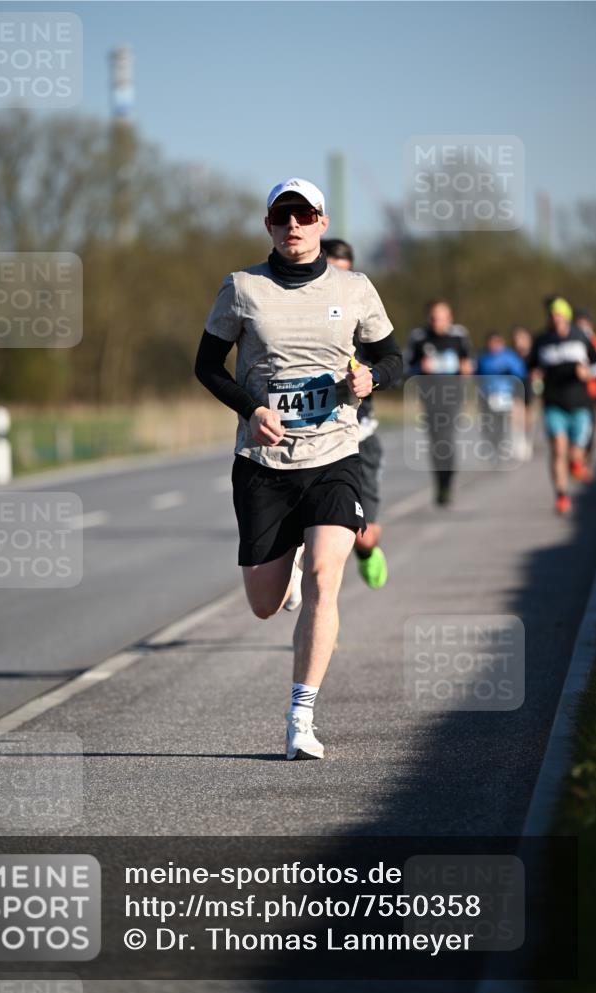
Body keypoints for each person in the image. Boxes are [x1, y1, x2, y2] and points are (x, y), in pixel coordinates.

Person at [194, 177, 402, 760]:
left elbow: (393, 357)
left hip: (334, 453)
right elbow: (207, 366)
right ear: (268, 225)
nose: (294, 225)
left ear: (322, 222)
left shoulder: (355, 288)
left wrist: (373, 377)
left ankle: (301, 718)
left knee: (324, 579)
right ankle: (282, 573)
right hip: (263, 462)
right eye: (283, 216)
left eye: (304, 215)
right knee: (264, 603)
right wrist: (251, 409)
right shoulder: (242, 288)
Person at [321, 238, 389, 589]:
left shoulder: (361, 312)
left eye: (345, 273)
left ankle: (366, 553)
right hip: (317, 437)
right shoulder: (301, 318)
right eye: (331, 271)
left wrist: (370, 376)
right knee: (318, 537)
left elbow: (393, 364)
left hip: (361, 436)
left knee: (364, 537)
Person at [529, 297, 596, 514]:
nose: (556, 318)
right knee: (558, 449)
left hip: (580, 403)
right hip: (553, 402)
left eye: (559, 314)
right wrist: (535, 375)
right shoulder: (542, 341)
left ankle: (576, 464)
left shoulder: (581, 337)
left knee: (576, 454)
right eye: (552, 315)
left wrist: (588, 373)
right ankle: (561, 496)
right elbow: (530, 367)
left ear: (566, 316)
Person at [404, 300, 473, 505]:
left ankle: (448, 481)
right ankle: (440, 482)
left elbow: (470, 362)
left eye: (442, 318)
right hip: (430, 397)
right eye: (434, 318)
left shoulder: (459, 336)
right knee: (436, 442)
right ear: (429, 318)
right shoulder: (419, 337)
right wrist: (420, 368)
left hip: (453, 396)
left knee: (447, 438)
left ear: (450, 318)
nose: (438, 322)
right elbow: (405, 367)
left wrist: (467, 369)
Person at [475, 331, 528, 463]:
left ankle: (510, 445)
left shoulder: (510, 357)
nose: (493, 346)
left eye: (496, 343)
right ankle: (494, 446)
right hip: (488, 396)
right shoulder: (483, 358)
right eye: (491, 343)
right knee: (491, 424)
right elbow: (477, 376)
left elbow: (521, 374)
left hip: (507, 395)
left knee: (507, 422)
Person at [574, 308, 596, 458]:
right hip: (574, 392)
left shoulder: (595, 341)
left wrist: (588, 373)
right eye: (579, 324)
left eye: (584, 323)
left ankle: (585, 454)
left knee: (589, 425)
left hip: (592, 390)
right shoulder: (572, 341)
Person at [511, 325, 536, 459]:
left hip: (530, 384)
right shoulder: (512, 356)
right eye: (516, 339)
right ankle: (518, 441)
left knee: (528, 413)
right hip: (516, 384)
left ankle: (528, 439)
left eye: (521, 338)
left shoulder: (534, 354)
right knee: (516, 411)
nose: (518, 341)